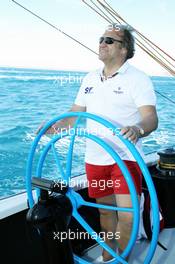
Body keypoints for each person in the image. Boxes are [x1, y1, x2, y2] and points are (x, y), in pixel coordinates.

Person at [38, 24, 158, 263]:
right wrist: (52, 128)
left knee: (128, 217)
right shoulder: (90, 78)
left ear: (124, 50)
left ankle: (120, 260)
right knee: (105, 211)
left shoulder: (138, 79)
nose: (102, 43)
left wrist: (138, 129)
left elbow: (151, 118)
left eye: (110, 40)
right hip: (95, 158)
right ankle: (108, 256)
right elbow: (74, 117)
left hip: (124, 157)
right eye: (101, 39)